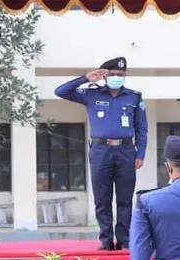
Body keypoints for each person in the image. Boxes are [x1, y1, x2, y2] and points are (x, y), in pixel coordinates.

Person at [54, 57, 148, 250]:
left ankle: (124, 240)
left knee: (124, 198)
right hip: (100, 150)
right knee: (102, 198)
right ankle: (106, 240)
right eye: (112, 74)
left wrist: (141, 154)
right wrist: (85, 78)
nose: (116, 77)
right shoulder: (91, 94)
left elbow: (141, 128)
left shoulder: (134, 97)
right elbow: (61, 91)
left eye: (120, 75)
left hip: (126, 150)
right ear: (105, 76)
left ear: (125, 76)